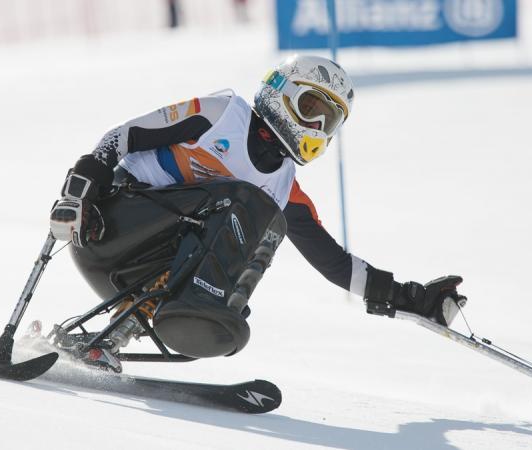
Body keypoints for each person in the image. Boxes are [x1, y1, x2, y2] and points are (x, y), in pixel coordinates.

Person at [49, 55, 466, 351]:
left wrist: (410, 298)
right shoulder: (219, 115)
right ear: (281, 93)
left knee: (268, 219)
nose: (317, 127)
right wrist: (78, 190)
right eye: (311, 109)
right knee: (245, 199)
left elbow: (334, 263)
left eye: (329, 121)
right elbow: (120, 137)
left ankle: (174, 319)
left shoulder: (284, 186)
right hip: (108, 228)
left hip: (143, 271)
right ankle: (195, 303)